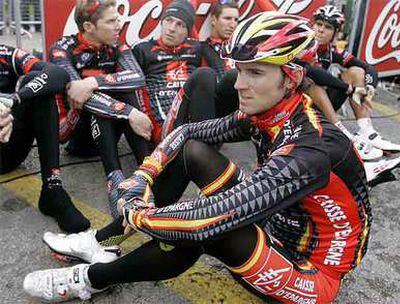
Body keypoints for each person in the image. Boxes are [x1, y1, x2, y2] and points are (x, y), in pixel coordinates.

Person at [24, 13, 373, 303]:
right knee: (192, 154)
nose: (238, 84)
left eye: (255, 73)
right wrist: (143, 176)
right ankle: (102, 242)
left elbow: (208, 220)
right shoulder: (273, 111)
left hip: (311, 271)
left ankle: (90, 279)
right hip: (279, 222)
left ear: (291, 78)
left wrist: (138, 213)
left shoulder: (311, 149)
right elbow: (186, 134)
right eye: (239, 70)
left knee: (207, 229)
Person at [49, 0, 153, 218]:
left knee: (120, 88)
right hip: (76, 136)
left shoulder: (116, 45)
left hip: (108, 131)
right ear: (89, 27)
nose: (119, 25)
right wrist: (130, 112)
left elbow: (137, 76)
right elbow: (78, 96)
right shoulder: (61, 49)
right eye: (112, 21)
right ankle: (115, 182)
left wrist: (93, 82)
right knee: (100, 96)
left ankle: (147, 172)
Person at [0, 44, 90, 233]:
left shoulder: (4, 53)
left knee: (37, 82)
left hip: (8, 149)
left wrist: (13, 99)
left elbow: (57, 73)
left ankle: (52, 188)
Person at [312, 5, 400, 159]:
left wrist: (369, 88)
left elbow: (368, 68)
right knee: (313, 85)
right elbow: (312, 72)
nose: (321, 30)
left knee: (356, 72)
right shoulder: (303, 44)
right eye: (319, 24)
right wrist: (348, 88)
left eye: (327, 27)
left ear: (335, 33)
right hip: (295, 106)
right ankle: (343, 135)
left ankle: (366, 131)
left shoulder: (332, 52)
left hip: (319, 106)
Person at [132, 0, 216, 143]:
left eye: (180, 25)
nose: (171, 28)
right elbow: (133, 91)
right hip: (164, 128)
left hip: (194, 119)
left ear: (188, 31)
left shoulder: (197, 48)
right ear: (162, 22)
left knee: (208, 75)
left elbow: (219, 77)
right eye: (168, 20)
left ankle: (206, 140)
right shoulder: (142, 49)